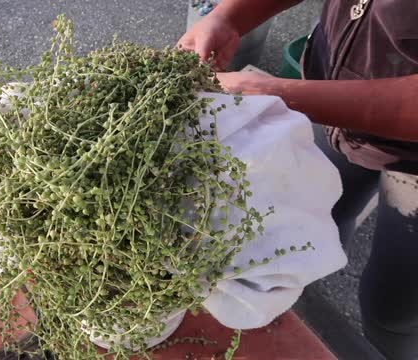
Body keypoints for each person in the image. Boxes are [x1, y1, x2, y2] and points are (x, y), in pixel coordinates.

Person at [178, 0, 418, 359]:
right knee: (318, 212)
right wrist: (229, 16)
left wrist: (282, 96)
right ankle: (314, 280)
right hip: (331, 89)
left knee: (392, 309)